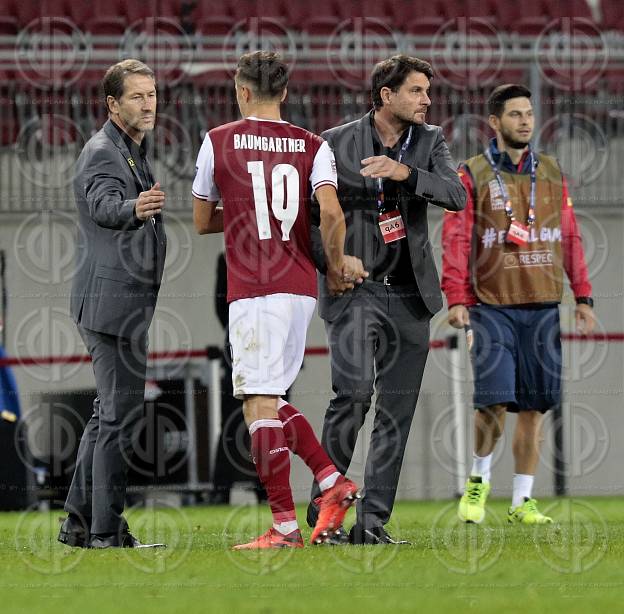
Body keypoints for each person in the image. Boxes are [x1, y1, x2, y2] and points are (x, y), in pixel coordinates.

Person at [192, 51, 367, 549]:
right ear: (285, 93)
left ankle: (286, 526)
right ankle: (333, 482)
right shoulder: (314, 145)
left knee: (257, 404)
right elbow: (332, 214)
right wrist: (334, 265)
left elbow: (203, 221)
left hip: (253, 287)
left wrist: (248, 208)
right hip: (297, 287)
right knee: (268, 399)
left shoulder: (217, 141)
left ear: (241, 90)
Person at [307, 55, 466, 545]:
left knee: (396, 412)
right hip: (356, 291)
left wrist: (404, 173)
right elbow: (307, 219)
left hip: (410, 296)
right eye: (416, 91)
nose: (426, 100)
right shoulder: (333, 143)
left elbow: (455, 195)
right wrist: (330, 264)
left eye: (427, 92)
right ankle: (326, 514)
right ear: (386, 96)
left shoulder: (430, 140)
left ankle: (371, 523)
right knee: (352, 395)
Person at [441, 84, 595, 525]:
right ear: (495, 122)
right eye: (515, 115)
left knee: (534, 408)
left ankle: (522, 499)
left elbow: (569, 235)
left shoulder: (550, 171)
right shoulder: (470, 174)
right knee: (491, 402)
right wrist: (456, 299)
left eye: (529, 114)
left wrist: (582, 295)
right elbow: (455, 240)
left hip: (543, 305)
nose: (525, 121)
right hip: (492, 306)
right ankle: (479, 477)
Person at [58, 59, 167, 549]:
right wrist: (133, 208)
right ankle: (107, 530)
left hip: (115, 302)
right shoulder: (105, 152)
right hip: (111, 305)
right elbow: (102, 205)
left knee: (108, 415)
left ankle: (79, 525)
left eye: (152, 94)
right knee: (121, 417)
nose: (148, 104)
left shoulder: (128, 149)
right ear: (112, 104)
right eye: (137, 96)